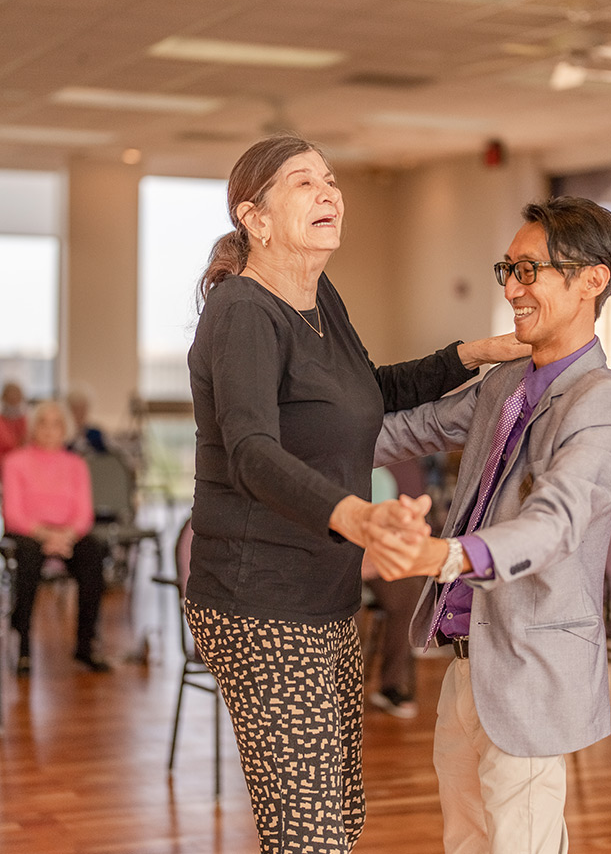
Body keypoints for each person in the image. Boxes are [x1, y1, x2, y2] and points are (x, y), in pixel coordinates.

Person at [183, 134, 525, 854]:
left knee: (336, 818)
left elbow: (368, 394)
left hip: (324, 590)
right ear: (256, 218)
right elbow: (250, 453)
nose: (328, 192)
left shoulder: (319, 301)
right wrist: (360, 516)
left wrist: (469, 355)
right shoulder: (244, 312)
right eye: (303, 182)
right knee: (309, 835)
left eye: (330, 179)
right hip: (259, 598)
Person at [368, 196, 611, 854]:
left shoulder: (601, 405)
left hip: (530, 662)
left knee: (520, 843)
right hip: (469, 657)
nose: (511, 288)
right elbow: (407, 430)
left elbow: (553, 524)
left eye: (529, 270)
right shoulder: (507, 381)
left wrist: (442, 556)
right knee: (466, 838)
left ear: (591, 280)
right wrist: (289, 441)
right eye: (506, 269)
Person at [1, 400, 110, 675]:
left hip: (67, 534)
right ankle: (23, 645)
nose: (50, 430)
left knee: (94, 550)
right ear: (33, 427)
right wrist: (45, 535)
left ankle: (86, 644)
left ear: (66, 429)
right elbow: (13, 514)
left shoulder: (76, 465)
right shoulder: (15, 462)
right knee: (28, 554)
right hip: (27, 533)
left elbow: (84, 515)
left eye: (56, 424)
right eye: (43, 423)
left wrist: (66, 536)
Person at [362, 462, 428, 719]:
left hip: (373, 557)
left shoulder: (384, 479)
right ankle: (338, 686)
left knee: (410, 594)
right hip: (331, 559)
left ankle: (391, 685)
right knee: (346, 604)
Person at [0, 380, 28, 475]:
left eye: (17, 399)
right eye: (10, 399)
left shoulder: (25, 421)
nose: (14, 402)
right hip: (1, 468)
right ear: (3, 399)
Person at [65, 385, 111, 454]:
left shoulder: (96, 434)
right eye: (75, 409)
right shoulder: (63, 435)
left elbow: (109, 453)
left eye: (83, 409)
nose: (79, 414)